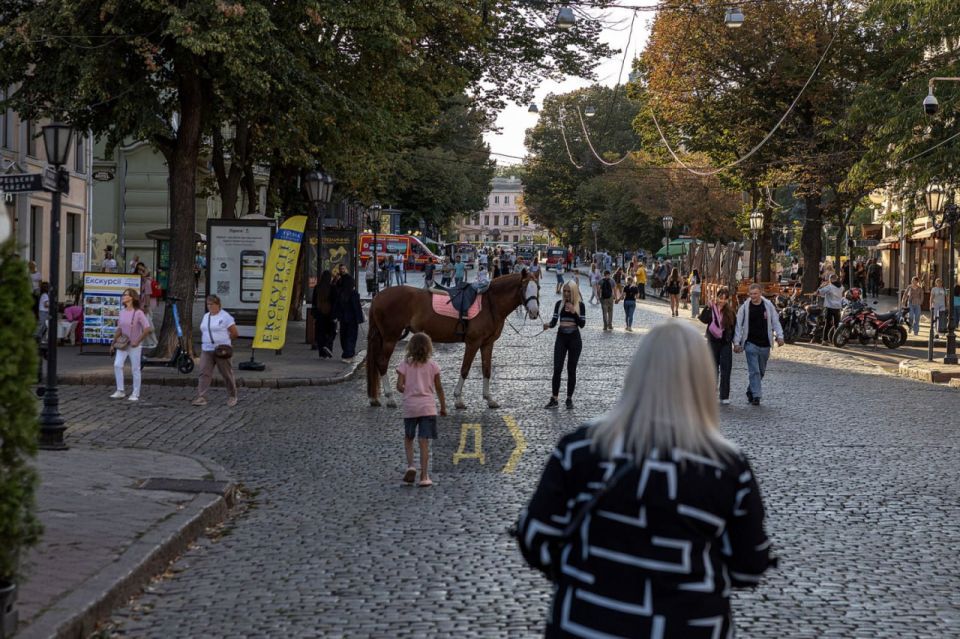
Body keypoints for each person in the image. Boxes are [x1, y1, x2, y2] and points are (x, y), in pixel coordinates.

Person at [517, 322, 775, 638]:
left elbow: (534, 538)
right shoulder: (727, 467)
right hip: (690, 625)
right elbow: (749, 564)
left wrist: (584, 568)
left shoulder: (581, 449)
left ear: (636, 374)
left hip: (587, 622)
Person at [396, 332, 446, 488]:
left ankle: (411, 465)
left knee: (409, 438)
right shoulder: (433, 366)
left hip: (410, 407)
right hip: (427, 407)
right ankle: (424, 476)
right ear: (428, 348)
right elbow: (439, 388)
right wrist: (443, 406)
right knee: (424, 442)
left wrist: (408, 389)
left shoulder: (404, 365)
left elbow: (399, 386)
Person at [733, 283, 784, 406]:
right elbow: (738, 326)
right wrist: (736, 342)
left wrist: (780, 336)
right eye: (751, 294)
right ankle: (757, 396)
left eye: (755, 294)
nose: (753, 296)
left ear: (760, 293)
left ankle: (751, 389)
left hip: (765, 343)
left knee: (761, 371)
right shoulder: (745, 308)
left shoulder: (768, 306)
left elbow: (775, 321)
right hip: (750, 343)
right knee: (754, 370)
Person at [542, 280, 586, 409]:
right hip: (561, 337)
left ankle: (569, 398)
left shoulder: (580, 305)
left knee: (571, 370)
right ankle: (554, 398)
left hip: (574, 339)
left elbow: (582, 325)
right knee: (557, 369)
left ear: (573, 292)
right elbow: (555, 321)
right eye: (564, 291)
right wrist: (548, 325)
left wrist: (574, 312)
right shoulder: (559, 304)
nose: (566, 293)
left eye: (568, 291)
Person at [192, 294, 239, 407]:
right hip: (207, 349)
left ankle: (233, 395)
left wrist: (226, 342)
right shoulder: (206, 316)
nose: (209, 306)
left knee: (226, 373)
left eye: (212, 304)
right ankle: (202, 396)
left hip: (221, 350)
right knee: (204, 372)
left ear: (218, 305)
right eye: (208, 304)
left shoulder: (225, 317)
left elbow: (235, 333)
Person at [110, 288, 152, 402]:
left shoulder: (138, 312)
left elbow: (147, 328)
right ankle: (120, 390)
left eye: (126, 295)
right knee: (117, 365)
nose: (123, 296)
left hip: (134, 345)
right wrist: (113, 343)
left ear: (132, 298)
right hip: (123, 344)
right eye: (123, 295)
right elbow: (119, 329)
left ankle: (135, 393)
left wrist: (138, 341)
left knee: (135, 369)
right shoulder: (122, 312)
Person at [700, 286, 736, 404]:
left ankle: (724, 396)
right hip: (713, 342)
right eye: (721, 298)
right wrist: (707, 307)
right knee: (712, 368)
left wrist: (735, 342)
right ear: (717, 297)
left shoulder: (730, 312)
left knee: (726, 369)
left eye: (725, 299)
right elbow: (703, 319)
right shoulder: (712, 308)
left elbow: (734, 328)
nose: (722, 301)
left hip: (725, 342)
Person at [333, 267, 364, 362]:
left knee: (344, 335)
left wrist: (336, 316)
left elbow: (336, 306)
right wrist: (360, 319)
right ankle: (348, 354)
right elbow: (356, 307)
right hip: (352, 319)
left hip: (343, 318)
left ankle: (346, 353)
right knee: (351, 336)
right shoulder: (353, 293)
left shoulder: (340, 293)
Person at [312, 270, 337, 358]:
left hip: (319, 312)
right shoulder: (332, 288)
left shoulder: (317, 287)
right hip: (329, 313)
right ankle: (328, 346)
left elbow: (314, 302)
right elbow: (335, 301)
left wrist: (314, 313)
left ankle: (322, 352)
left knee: (320, 332)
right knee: (331, 332)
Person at [818, 274, 844, 344]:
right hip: (838, 307)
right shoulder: (841, 287)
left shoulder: (830, 287)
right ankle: (836, 340)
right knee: (836, 324)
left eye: (829, 279)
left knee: (827, 324)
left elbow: (820, 291)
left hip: (829, 307)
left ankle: (824, 340)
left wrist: (822, 286)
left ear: (831, 279)